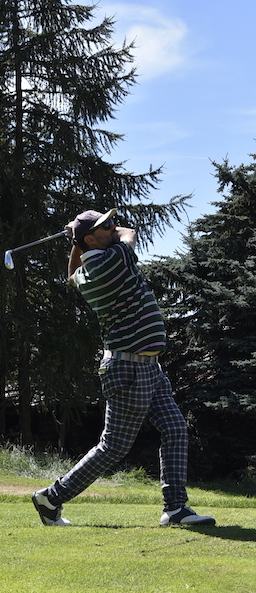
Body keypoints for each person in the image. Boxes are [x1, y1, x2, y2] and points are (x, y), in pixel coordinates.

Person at [32, 208, 216, 528]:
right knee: (113, 447)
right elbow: (129, 233)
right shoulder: (111, 261)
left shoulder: (89, 271)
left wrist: (76, 241)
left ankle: (176, 509)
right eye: (105, 226)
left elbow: (71, 274)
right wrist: (88, 235)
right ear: (93, 240)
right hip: (130, 369)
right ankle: (51, 497)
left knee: (174, 429)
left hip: (147, 368)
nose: (113, 227)